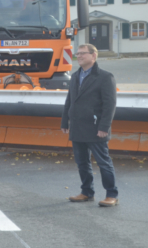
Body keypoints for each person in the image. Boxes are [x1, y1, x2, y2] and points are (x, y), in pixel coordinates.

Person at [61, 44, 118, 207]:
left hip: (95, 128)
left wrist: (104, 127)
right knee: (82, 163)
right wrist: (65, 121)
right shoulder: (75, 76)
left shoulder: (105, 77)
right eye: (77, 54)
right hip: (77, 127)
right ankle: (86, 192)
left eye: (82, 54)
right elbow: (69, 101)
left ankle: (112, 194)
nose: (78, 56)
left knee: (103, 162)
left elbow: (110, 105)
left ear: (93, 56)